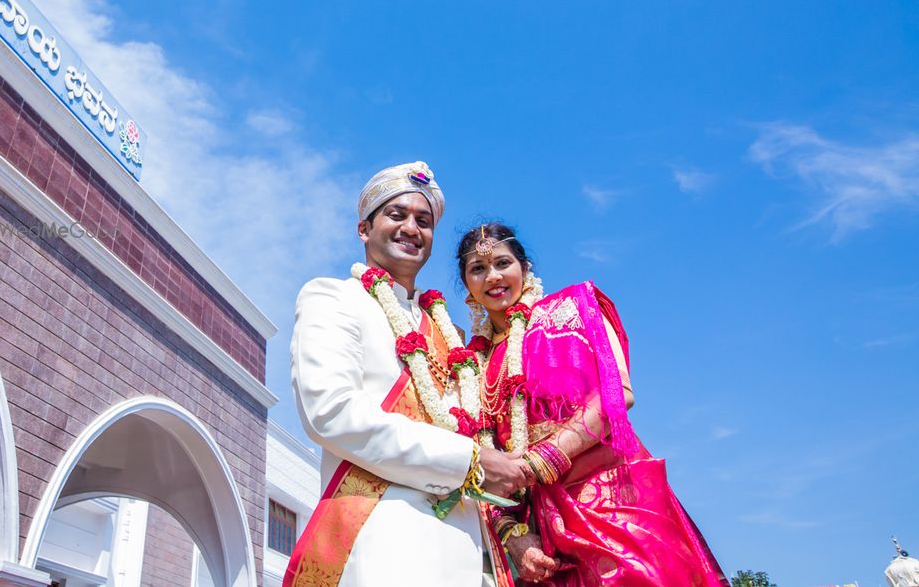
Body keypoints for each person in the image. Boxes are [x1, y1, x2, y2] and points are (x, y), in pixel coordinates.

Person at [285, 164, 529, 587]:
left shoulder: (449, 332)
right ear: (364, 228)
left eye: (424, 220)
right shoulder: (334, 298)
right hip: (389, 540)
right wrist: (467, 462)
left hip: (473, 550)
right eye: (396, 215)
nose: (411, 228)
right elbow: (331, 411)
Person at [457, 223, 728, 586]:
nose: (492, 276)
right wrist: (512, 534)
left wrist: (542, 459)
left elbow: (617, 393)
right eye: (478, 268)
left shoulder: (572, 308)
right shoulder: (473, 364)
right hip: (538, 530)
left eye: (502, 263)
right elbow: (481, 455)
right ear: (467, 288)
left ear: (524, 267)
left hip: (610, 502)